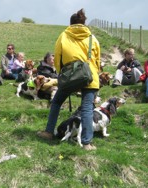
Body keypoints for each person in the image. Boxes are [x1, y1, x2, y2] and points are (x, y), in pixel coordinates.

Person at [37, 9, 101, 151]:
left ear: (70, 23)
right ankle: (87, 143)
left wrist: (63, 76)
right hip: (90, 77)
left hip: (70, 76)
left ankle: (48, 132)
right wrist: (93, 76)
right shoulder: (92, 38)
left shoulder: (64, 36)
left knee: (56, 102)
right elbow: (97, 61)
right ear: (84, 23)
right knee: (87, 109)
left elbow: (58, 59)